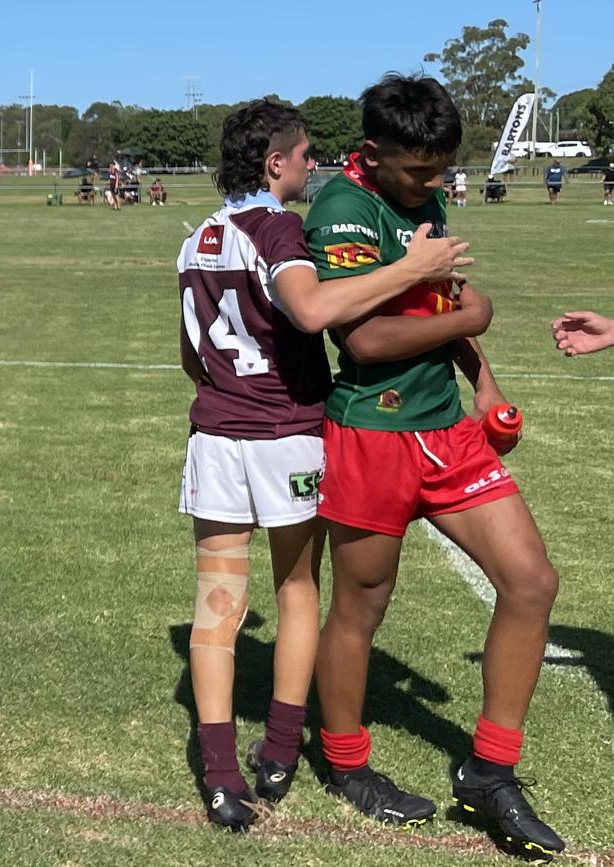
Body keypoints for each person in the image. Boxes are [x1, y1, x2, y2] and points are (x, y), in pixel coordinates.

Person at [177, 97, 478, 832]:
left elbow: (193, 357)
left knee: (218, 605)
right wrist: (411, 268)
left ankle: (220, 778)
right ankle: (280, 752)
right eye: (306, 153)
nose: (316, 164)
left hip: (216, 436)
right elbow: (312, 311)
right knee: (297, 588)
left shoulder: (197, 236)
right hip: (285, 435)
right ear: (275, 162)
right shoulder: (277, 224)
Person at [303, 73, 565, 856]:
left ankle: (490, 768)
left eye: (443, 168)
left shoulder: (426, 198)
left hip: (447, 432)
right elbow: (366, 341)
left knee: (532, 578)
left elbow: (440, 308)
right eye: (420, 171)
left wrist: (483, 380)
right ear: (373, 153)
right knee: (362, 607)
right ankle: (346, 760)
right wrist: (472, 306)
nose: (434, 183)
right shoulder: (343, 210)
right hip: (369, 438)